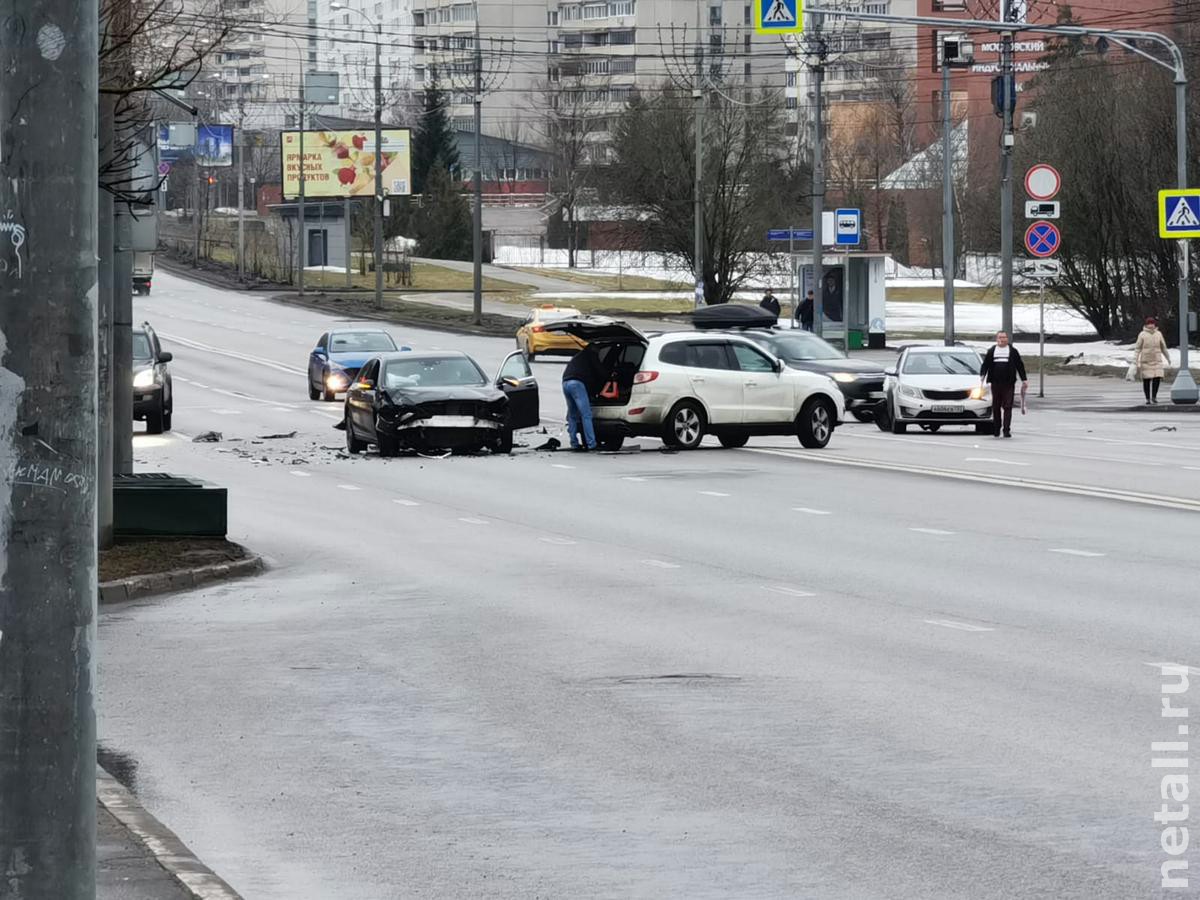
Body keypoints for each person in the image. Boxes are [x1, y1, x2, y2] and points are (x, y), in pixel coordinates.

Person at [979, 331, 1028, 438]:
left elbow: (1019, 365)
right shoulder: (992, 350)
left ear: (1007, 339)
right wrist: (982, 376)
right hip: (995, 382)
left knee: (1007, 406)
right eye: (1000, 337)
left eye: (1004, 337)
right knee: (996, 407)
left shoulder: (1013, 351)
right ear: (997, 339)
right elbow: (985, 364)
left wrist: (1024, 379)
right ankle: (996, 429)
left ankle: (1006, 430)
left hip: (1008, 383)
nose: (1002, 339)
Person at [562, 343, 607, 451]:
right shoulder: (592, 355)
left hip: (565, 383)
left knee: (572, 415)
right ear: (595, 349)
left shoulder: (579, 356)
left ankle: (574, 443)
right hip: (577, 384)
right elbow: (600, 372)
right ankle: (591, 444)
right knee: (586, 415)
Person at [1134, 316, 1172, 405]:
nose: (1151, 325)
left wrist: (1168, 357)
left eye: (1152, 323)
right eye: (1149, 324)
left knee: (1157, 378)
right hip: (1146, 361)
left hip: (1157, 361)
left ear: (1155, 324)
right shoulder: (1142, 334)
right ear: (1146, 325)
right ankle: (1147, 398)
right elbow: (1137, 349)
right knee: (1146, 380)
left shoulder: (1159, 334)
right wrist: (1134, 361)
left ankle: (1154, 397)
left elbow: (1163, 347)